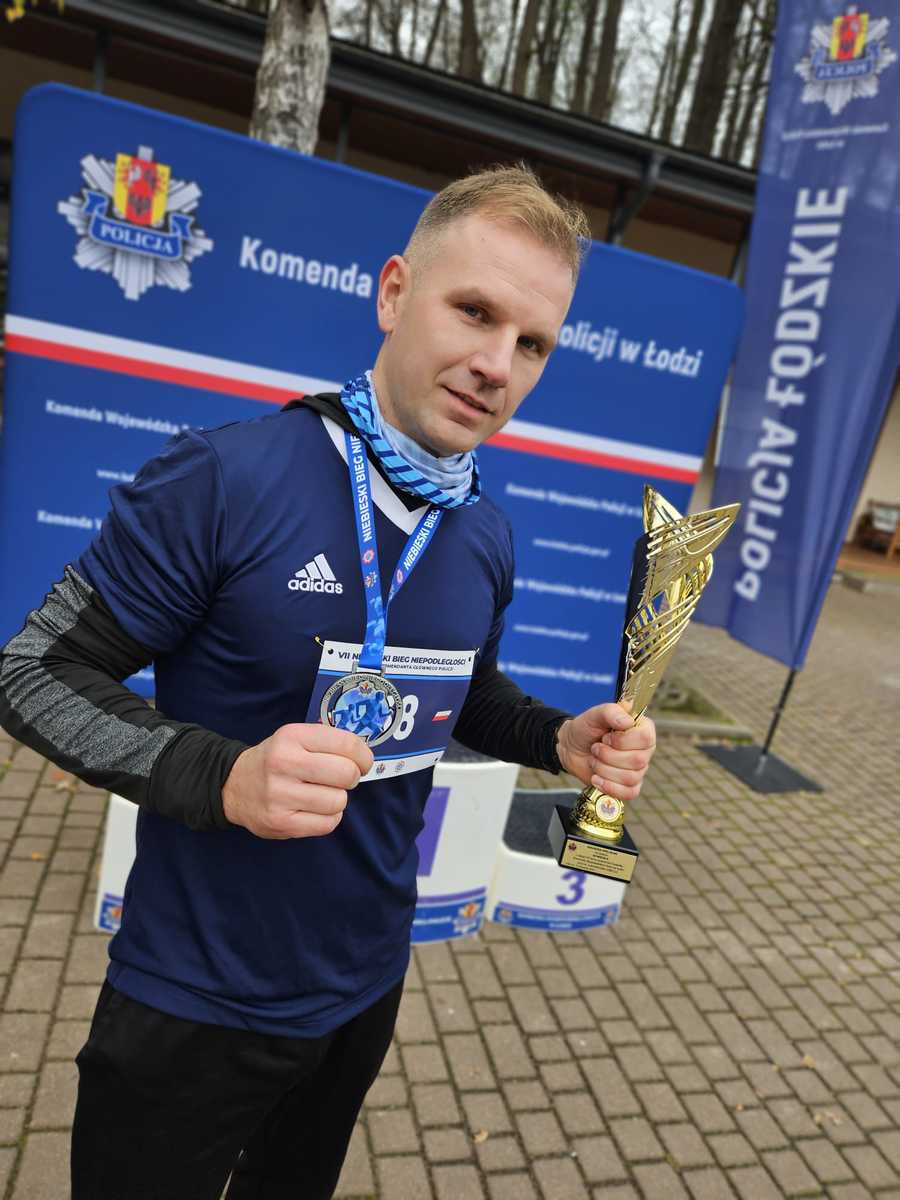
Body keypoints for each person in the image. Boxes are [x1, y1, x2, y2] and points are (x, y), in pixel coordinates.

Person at [0, 164, 656, 1199]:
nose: (496, 365)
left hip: (363, 987)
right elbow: (33, 671)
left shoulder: (482, 530)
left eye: (532, 344)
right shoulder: (225, 477)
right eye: (474, 312)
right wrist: (222, 776)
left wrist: (556, 738)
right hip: (193, 1000)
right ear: (395, 293)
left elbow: (468, 693)